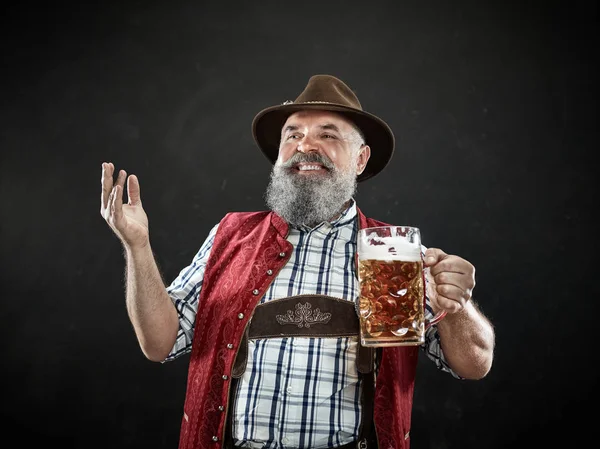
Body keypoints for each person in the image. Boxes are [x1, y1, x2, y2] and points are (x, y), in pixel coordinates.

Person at [100, 74, 495, 449]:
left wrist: (457, 308)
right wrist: (138, 246)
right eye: (294, 135)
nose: (306, 146)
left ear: (360, 158)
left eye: (327, 134)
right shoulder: (230, 235)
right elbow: (159, 343)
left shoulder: (391, 251)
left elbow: (473, 365)